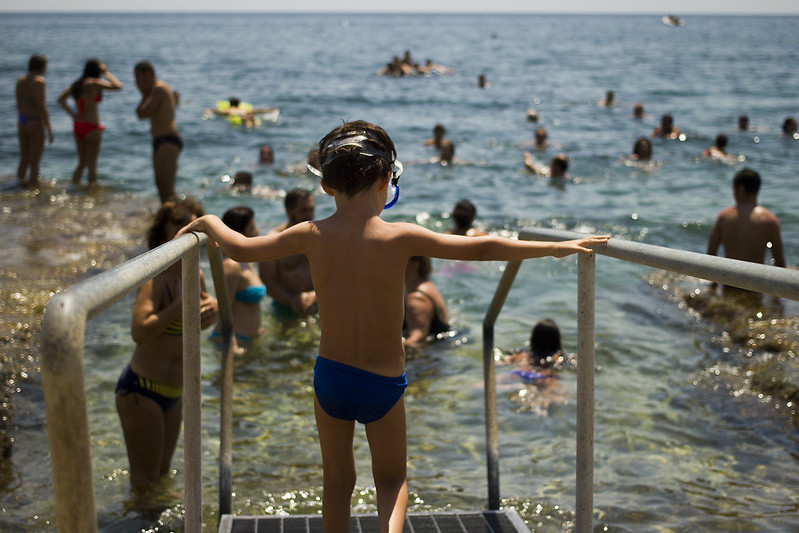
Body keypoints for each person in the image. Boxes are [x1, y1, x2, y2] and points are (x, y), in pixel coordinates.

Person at [176, 119, 609, 533]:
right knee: (391, 481)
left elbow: (242, 248)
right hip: (382, 383)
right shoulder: (400, 236)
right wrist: (556, 246)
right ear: (387, 180)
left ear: (325, 185)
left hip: (331, 377)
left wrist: (205, 222)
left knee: (336, 481)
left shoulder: (309, 232)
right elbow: (482, 250)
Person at [116, 198, 219, 489]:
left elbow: (198, 322)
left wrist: (213, 307)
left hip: (175, 391)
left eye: (196, 220)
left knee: (162, 473)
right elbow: (139, 331)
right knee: (145, 480)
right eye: (179, 222)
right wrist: (179, 303)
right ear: (163, 232)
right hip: (142, 390)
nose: (189, 227)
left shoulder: (195, 273)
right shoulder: (154, 276)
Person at [57, 59, 123, 186]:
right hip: (92, 126)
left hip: (78, 126)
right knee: (92, 164)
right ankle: (91, 192)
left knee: (82, 163)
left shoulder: (76, 85)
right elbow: (118, 86)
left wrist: (73, 115)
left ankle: (73, 188)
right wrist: (106, 73)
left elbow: (60, 99)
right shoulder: (94, 83)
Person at [707, 168, 785, 269]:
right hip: (754, 283)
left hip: (728, 283)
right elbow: (779, 263)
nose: (733, 193)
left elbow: (710, 257)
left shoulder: (724, 217)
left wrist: (713, 285)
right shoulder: (770, 221)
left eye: (734, 189)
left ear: (741, 189)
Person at [258, 188, 317, 319]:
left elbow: (334, 272)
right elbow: (268, 281)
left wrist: (314, 295)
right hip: (285, 306)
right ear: (289, 211)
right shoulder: (274, 240)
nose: (310, 215)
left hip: (318, 301)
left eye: (311, 209)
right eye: (304, 210)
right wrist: (292, 301)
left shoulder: (318, 236)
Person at [211, 207, 265, 346]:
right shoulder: (232, 265)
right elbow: (224, 308)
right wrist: (232, 345)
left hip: (248, 340)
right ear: (240, 233)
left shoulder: (246, 261)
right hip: (233, 341)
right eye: (252, 227)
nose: (257, 231)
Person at [134, 61, 182, 204]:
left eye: (138, 77)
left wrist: (143, 94)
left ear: (148, 74)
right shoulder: (155, 90)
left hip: (168, 140)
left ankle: (177, 218)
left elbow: (142, 113)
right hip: (160, 141)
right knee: (161, 184)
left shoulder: (158, 89)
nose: (136, 82)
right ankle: (167, 215)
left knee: (167, 187)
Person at [15, 54, 54, 185]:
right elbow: (41, 105)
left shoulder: (20, 80)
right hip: (35, 121)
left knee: (24, 158)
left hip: (22, 120)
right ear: (41, 66)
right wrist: (49, 127)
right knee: (35, 161)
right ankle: (33, 189)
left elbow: (19, 103)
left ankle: (18, 185)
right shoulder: (39, 81)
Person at [403, 256, 450, 347]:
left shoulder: (416, 298)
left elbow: (417, 339)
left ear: (415, 264)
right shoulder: (426, 286)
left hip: (431, 355)